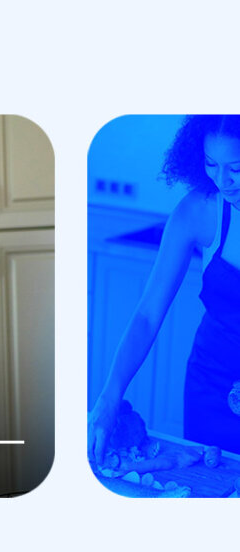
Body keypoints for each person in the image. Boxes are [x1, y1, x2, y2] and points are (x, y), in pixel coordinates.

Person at [89, 115, 240, 464]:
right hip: (210, 383)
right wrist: (110, 396)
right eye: (211, 164)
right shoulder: (198, 212)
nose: (222, 181)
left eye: (236, 167)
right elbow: (147, 314)